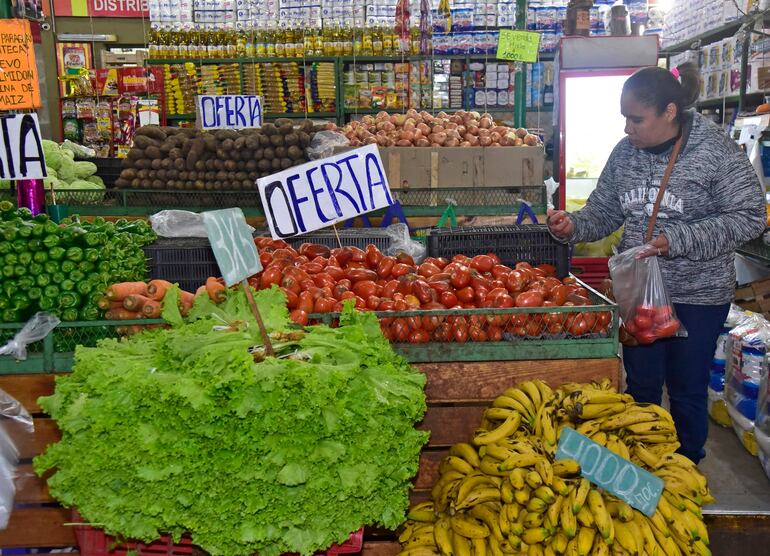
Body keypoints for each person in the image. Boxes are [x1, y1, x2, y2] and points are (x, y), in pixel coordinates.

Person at [547, 62, 767, 463]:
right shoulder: (624, 154)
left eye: (636, 119)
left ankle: (686, 470)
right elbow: (604, 213)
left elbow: (749, 216)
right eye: (624, 119)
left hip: (698, 296)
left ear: (669, 112)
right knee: (643, 387)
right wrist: (571, 226)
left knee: (687, 390)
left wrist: (677, 240)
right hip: (640, 296)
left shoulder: (715, 152)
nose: (627, 129)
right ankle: (641, 467)